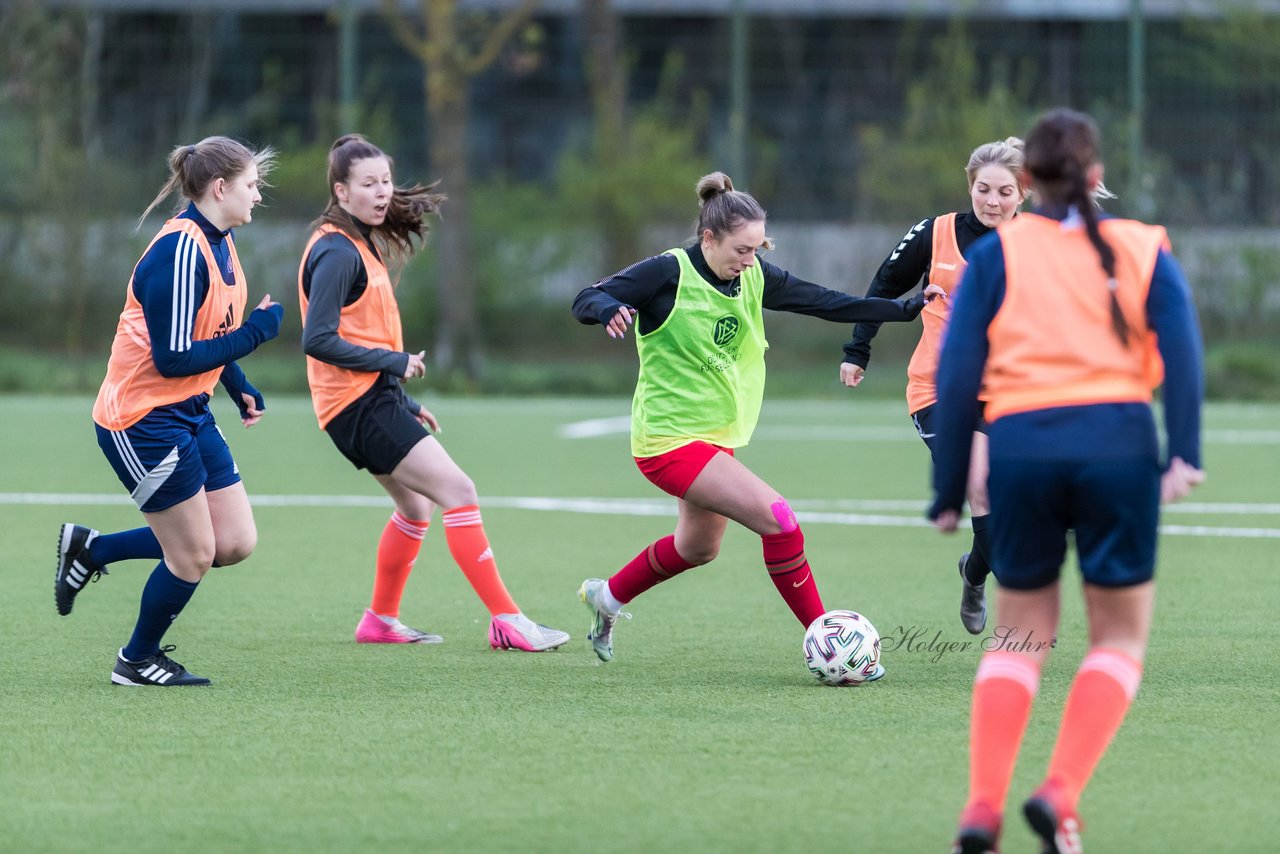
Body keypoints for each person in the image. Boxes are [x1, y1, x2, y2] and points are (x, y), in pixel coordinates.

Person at [928, 109, 1204, 854]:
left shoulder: (999, 254)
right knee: (1117, 637)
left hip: (1020, 447)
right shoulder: (1141, 245)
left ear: (1024, 185)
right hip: (1117, 448)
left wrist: (949, 488)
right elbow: (1183, 355)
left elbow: (956, 376)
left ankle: (983, 808)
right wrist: (1184, 454)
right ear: (1095, 176)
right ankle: (1059, 794)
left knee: (1020, 636)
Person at [572, 171, 942, 668]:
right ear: (709, 239)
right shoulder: (667, 272)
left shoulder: (753, 275)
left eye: (757, 249)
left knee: (697, 548)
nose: (751, 260)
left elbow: (825, 301)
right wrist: (609, 306)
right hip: (667, 441)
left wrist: (902, 310)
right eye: (742, 250)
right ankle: (827, 642)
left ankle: (607, 598)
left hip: (713, 439)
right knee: (781, 524)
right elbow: (586, 297)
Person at [298, 134, 569, 652]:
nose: (382, 193)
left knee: (417, 509)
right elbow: (318, 340)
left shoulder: (356, 242)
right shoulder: (335, 250)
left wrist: (403, 399)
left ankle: (379, 619)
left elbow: (360, 332)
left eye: (386, 181)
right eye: (369, 184)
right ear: (341, 190)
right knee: (459, 493)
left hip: (367, 402)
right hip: (358, 407)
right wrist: (394, 364)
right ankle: (508, 621)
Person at [54, 136, 285, 686]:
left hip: (187, 408)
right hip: (142, 420)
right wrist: (256, 335)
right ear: (220, 187)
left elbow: (209, 329)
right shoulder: (180, 251)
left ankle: (94, 548)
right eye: (252, 186)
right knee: (194, 554)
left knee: (232, 542)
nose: (258, 196)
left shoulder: (221, 241)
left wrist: (237, 382)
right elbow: (175, 355)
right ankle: (135, 661)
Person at [840, 137, 1028, 635]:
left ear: (1023, 194)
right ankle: (999, 579)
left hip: (1010, 392)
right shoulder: (936, 233)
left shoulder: (1039, 242)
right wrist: (858, 349)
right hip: (938, 390)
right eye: (984, 189)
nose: (993, 201)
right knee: (981, 485)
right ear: (970, 186)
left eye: (1005, 192)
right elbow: (883, 285)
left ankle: (973, 572)